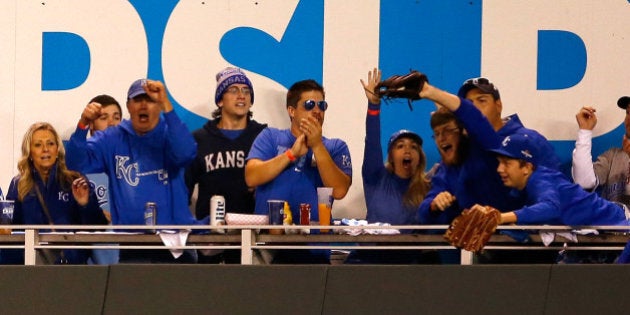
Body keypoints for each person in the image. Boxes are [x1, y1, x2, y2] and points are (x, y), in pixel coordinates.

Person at [416, 76, 562, 263]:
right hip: (479, 253)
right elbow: (425, 210)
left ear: (498, 105)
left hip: (529, 250)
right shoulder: (462, 152)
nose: (475, 107)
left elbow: (555, 197)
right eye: (469, 103)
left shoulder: (527, 141)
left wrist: (432, 93)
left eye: (482, 100)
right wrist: (434, 204)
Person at [66, 79, 202, 263]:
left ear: (158, 106)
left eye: (151, 100)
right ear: (129, 106)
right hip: (131, 246)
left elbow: (187, 153)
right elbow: (76, 163)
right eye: (138, 100)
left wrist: (167, 106)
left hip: (175, 246)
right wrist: (83, 125)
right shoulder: (112, 138)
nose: (144, 105)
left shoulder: (169, 132)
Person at [245, 79, 352, 264]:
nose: (317, 111)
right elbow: (251, 177)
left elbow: (340, 190)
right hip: (269, 246)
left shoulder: (335, 146)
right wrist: (291, 154)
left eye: (322, 105)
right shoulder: (270, 137)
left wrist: (317, 146)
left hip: (315, 246)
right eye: (309, 105)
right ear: (292, 111)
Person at [344, 68, 435, 264]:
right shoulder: (375, 177)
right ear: (391, 156)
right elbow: (372, 142)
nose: (407, 151)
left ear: (420, 157)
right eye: (400, 146)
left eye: (413, 147)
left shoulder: (429, 186)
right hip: (370, 261)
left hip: (407, 266)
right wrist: (374, 105)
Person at [185, 67, 267, 264]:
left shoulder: (264, 137)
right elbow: (182, 192)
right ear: (220, 100)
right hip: (210, 241)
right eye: (234, 90)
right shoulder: (199, 140)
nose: (242, 96)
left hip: (254, 239)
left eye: (246, 91)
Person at [1, 122, 108, 264]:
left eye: (50, 144)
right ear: (30, 153)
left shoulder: (75, 180)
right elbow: (11, 228)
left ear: (57, 149)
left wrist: (85, 204)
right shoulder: (19, 185)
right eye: (38, 145)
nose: (45, 149)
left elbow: (97, 226)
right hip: (31, 266)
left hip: (70, 267)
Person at [473, 133, 630, 227]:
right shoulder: (530, 183)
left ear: (527, 167)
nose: (500, 169)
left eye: (507, 163)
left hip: (619, 222)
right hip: (601, 229)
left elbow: (550, 208)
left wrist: (500, 218)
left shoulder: (540, 179)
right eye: (499, 162)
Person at [80, 94, 122, 265]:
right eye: (104, 118)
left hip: (130, 254)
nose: (112, 123)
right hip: (88, 258)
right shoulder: (79, 162)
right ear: (91, 125)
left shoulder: (133, 163)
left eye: (117, 117)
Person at [573, 97, 630, 206]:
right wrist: (585, 131)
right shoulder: (612, 156)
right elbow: (584, 183)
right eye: (628, 112)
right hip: (613, 221)